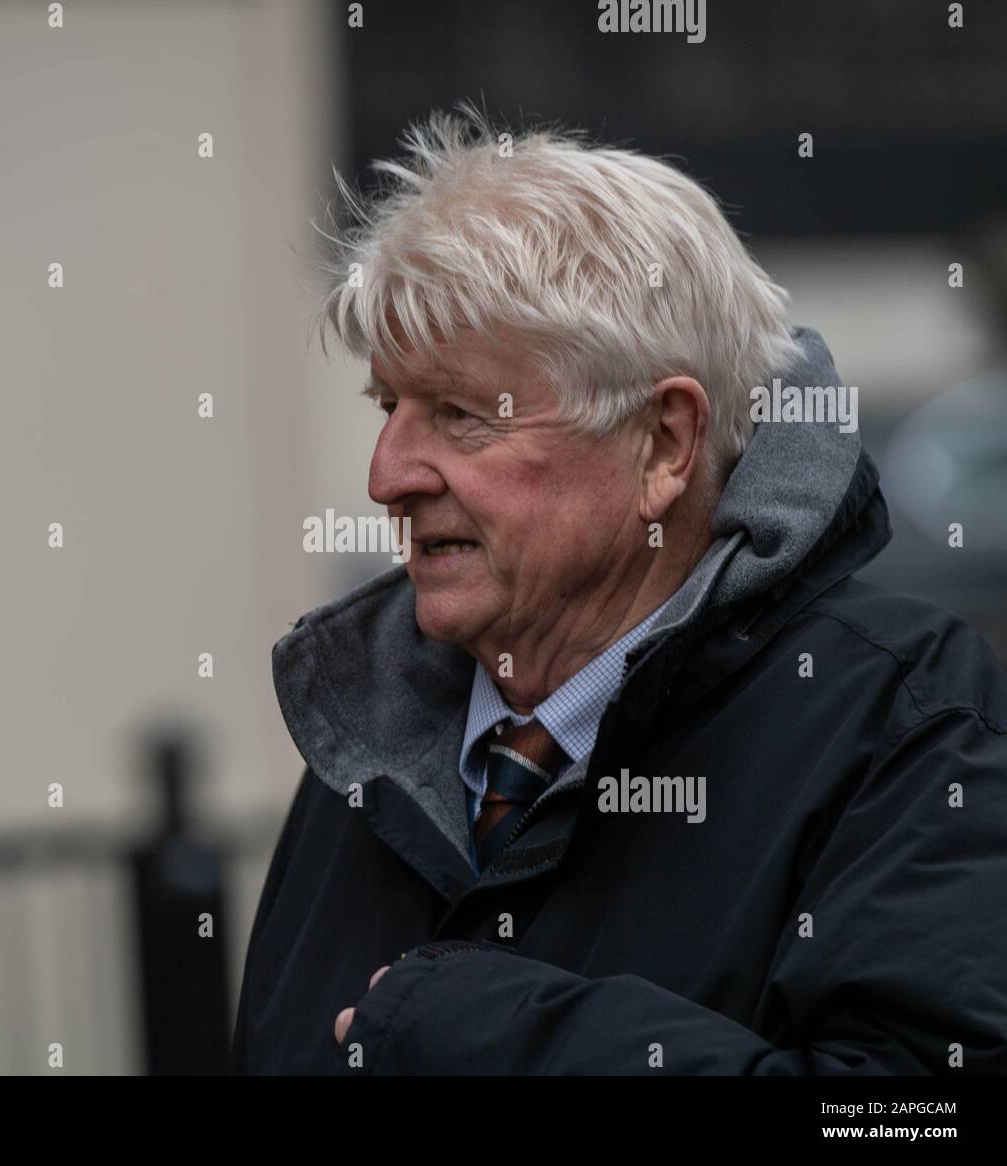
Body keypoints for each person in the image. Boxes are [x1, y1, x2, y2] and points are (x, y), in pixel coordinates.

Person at [230, 106, 1007, 1075]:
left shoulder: (899, 718)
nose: (387, 473)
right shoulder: (367, 729)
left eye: (462, 413)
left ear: (663, 444)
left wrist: (499, 1039)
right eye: (390, 406)